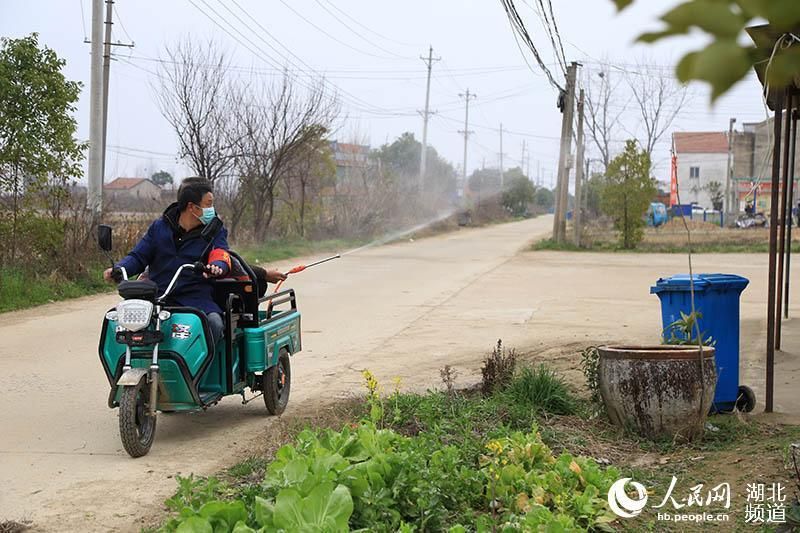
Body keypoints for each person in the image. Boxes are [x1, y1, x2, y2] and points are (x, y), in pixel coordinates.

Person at [105, 179, 230, 347]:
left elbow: (221, 253)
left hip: (195, 298)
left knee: (214, 323)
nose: (211, 210)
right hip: (158, 297)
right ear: (192, 207)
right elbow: (138, 256)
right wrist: (120, 268)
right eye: (208, 204)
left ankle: (201, 373)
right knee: (116, 323)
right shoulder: (159, 227)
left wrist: (218, 266)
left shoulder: (215, 230)